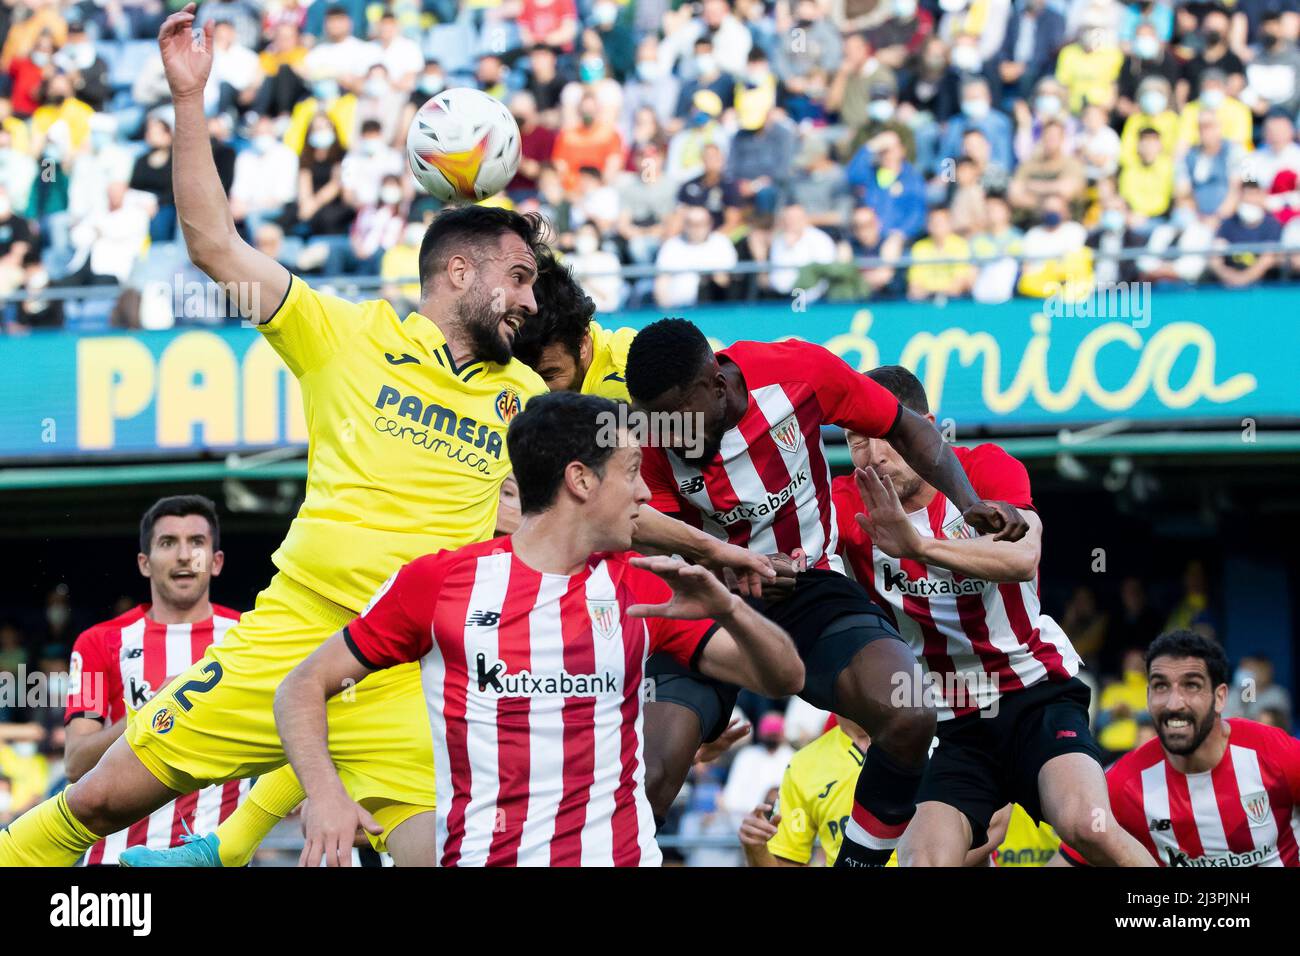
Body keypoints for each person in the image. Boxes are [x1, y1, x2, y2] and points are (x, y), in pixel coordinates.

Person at [0, 7, 549, 870]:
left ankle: (223, 848)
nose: (528, 299)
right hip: (291, 635)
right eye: (517, 278)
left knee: (451, 857)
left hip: (405, 671)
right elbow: (214, 246)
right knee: (99, 797)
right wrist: (190, 99)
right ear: (457, 273)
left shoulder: (526, 395)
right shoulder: (345, 335)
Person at [275, 391, 804, 866]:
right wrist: (324, 795)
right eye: (631, 470)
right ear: (580, 480)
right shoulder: (440, 583)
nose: (645, 491)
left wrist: (730, 610)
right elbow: (301, 686)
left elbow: (786, 678)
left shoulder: (638, 587)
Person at [624, 319, 1032, 867]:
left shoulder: (799, 372)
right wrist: (726, 566)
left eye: (679, 420)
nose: (669, 436)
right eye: (657, 423)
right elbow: (657, 541)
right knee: (649, 775)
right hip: (708, 600)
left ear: (716, 385)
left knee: (909, 715)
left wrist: (967, 502)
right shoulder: (652, 437)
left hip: (808, 587)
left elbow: (908, 428)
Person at [831, 365, 1155, 866]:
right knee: (926, 862)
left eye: (887, 437)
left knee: (1086, 825)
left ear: (926, 426)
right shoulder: (845, 505)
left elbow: (1022, 559)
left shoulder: (984, 468)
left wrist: (918, 545)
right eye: (856, 441)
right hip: (943, 719)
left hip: (1032, 690)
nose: (873, 456)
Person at [63, 496, 248, 865]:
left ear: (216, 561)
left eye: (196, 542)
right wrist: (150, 712)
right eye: (167, 543)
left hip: (214, 859)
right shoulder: (99, 642)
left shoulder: (249, 639)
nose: (183, 556)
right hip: (115, 863)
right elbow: (76, 763)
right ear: (145, 564)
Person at [1055, 630, 1300, 867]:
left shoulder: (1275, 754)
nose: (1174, 703)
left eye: (1191, 685)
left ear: (1221, 697)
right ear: (1149, 696)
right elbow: (1070, 859)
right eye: (1161, 686)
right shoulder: (1124, 784)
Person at [739, 716, 1010, 866]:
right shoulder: (803, 764)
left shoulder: (946, 734)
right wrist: (756, 849)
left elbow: (996, 822)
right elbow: (788, 861)